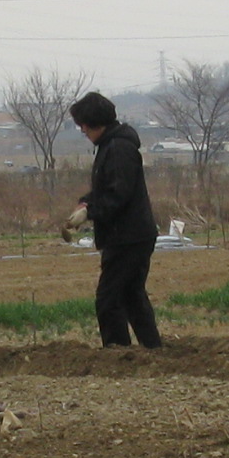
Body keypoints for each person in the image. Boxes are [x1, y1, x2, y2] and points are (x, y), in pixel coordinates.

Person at [68, 90, 163, 350]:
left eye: (83, 126)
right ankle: (152, 348)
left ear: (92, 123)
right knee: (132, 295)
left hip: (128, 237)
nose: (83, 131)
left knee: (108, 299)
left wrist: (91, 212)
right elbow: (107, 189)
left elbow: (118, 194)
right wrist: (87, 201)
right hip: (131, 234)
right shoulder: (111, 145)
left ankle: (117, 353)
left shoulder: (118, 148)